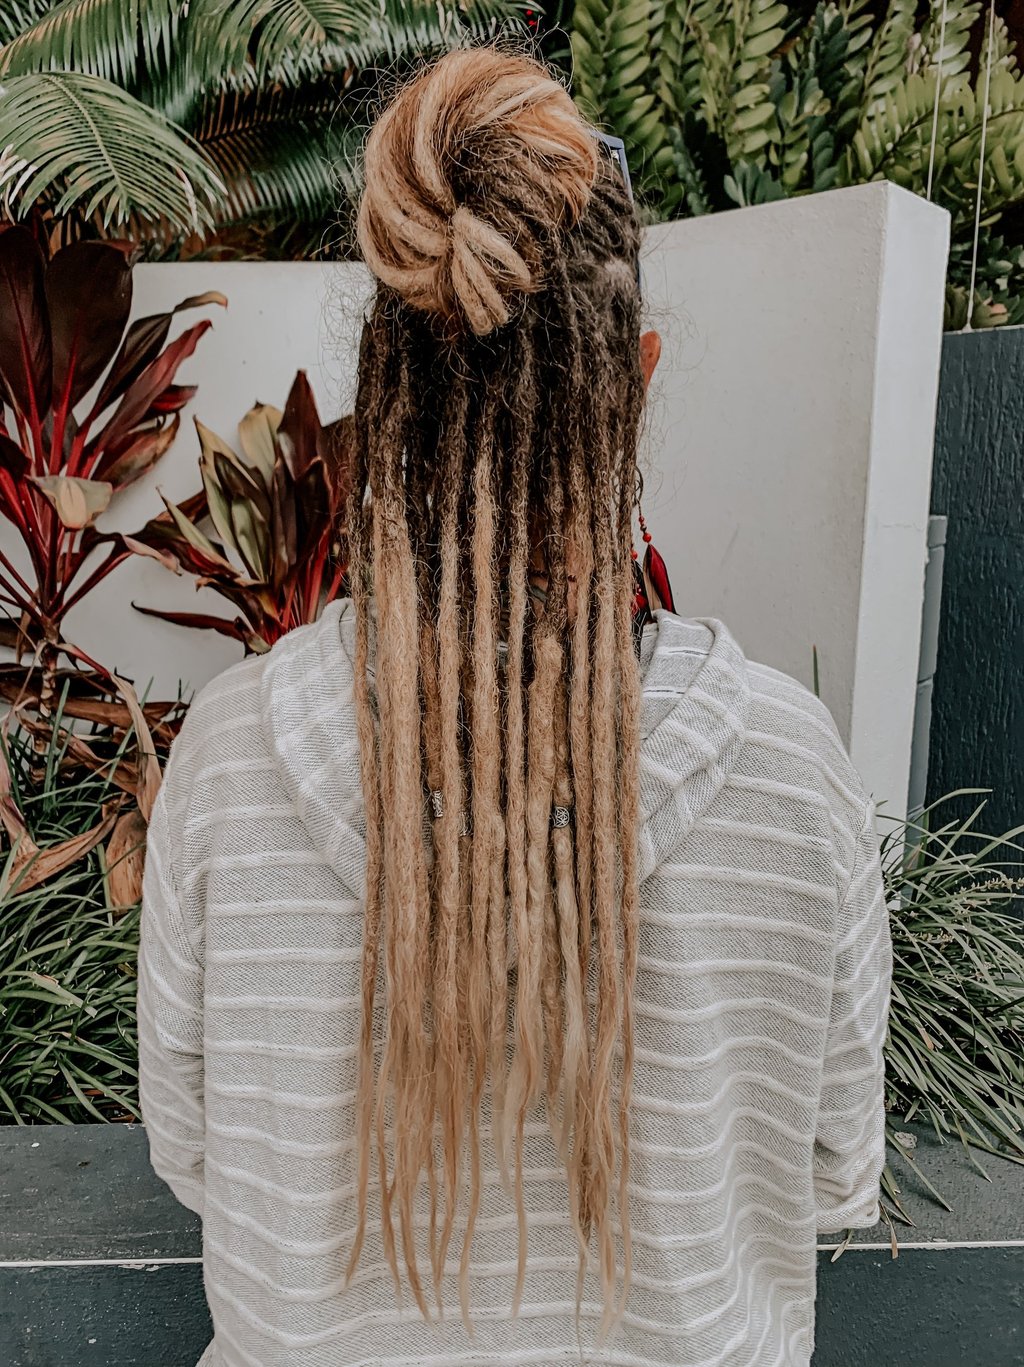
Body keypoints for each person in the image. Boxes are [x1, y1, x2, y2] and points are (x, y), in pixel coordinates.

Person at [137, 45, 893, 1367]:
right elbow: (831, 1180)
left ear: (388, 391)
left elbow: (195, 1155)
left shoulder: (233, 758)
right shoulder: (789, 773)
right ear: (637, 373)